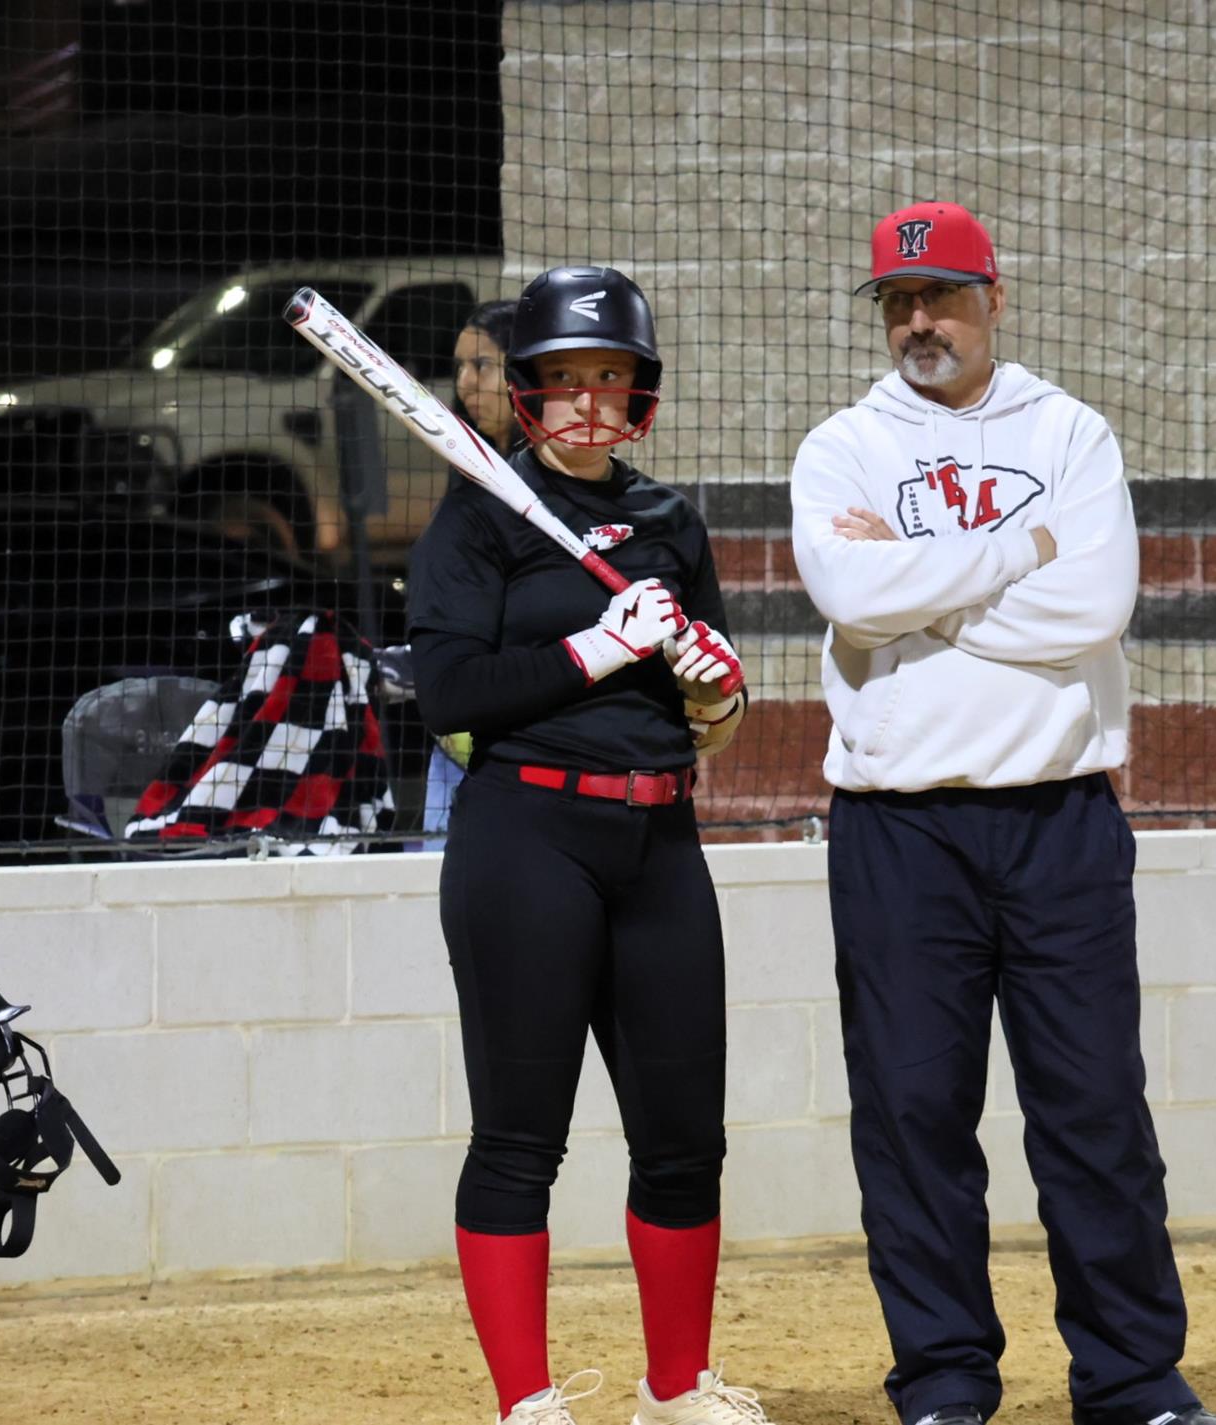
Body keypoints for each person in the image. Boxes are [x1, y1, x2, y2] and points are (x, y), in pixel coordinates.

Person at [789, 202, 1216, 1425]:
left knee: (1094, 1110)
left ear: (997, 300)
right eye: (896, 301)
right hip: (897, 830)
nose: (918, 320)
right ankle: (942, 1385)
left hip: (1057, 821)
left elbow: (1086, 612)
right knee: (911, 1116)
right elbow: (845, 588)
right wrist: (1013, 548)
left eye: (939, 296)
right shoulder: (839, 448)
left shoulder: (1070, 434)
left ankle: (1134, 1381)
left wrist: (920, 590)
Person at [404, 265, 767, 1425]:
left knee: (683, 1142)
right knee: (521, 1139)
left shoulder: (666, 521)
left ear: (638, 396)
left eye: (609, 383)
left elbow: (700, 706)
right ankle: (529, 1404)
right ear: (528, 395)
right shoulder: (479, 515)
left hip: (659, 837)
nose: (587, 408)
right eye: (564, 384)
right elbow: (448, 693)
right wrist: (595, 650)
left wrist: (713, 694)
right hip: (525, 837)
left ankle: (676, 1390)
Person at [421, 297, 523, 849]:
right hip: (459, 726)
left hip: (519, 736)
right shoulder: (467, 463)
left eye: (481, 365)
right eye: (458, 366)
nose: (464, 383)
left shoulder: (548, 481)